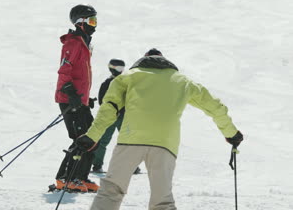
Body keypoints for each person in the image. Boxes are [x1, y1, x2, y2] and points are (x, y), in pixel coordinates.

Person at [75, 48, 244, 210]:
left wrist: (92, 136)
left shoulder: (127, 77)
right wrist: (231, 134)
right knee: (162, 201)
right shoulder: (182, 81)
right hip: (165, 144)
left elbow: (109, 108)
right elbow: (214, 106)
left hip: (131, 140)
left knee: (111, 192)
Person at [53, 4, 100, 193]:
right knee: (80, 138)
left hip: (78, 99)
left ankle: (80, 177)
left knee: (92, 137)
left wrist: (85, 98)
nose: (94, 25)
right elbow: (65, 69)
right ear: (80, 22)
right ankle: (65, 178)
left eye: (95, 20)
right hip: (68, 98)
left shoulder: (84, 42)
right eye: (91, 21)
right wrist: (70, 92)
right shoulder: (73, 42)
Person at [92, 59, 141, 175]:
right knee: (103, 140)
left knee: (127, 140)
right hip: (111, 117)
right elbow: (101, 100)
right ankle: (97, 165)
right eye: (119, 69)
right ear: (112, 68)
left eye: (122, 69)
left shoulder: (125, 83)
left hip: (123, 116)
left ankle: (133, 166)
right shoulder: (107, 83)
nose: (120, 71)